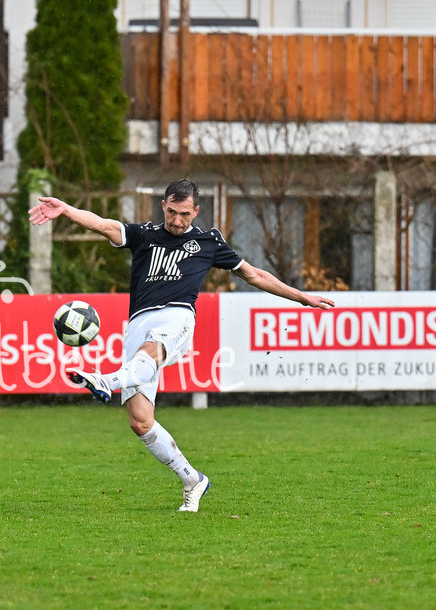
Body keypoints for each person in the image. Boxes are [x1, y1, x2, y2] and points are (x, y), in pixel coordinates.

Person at [28, 179, 336, 512]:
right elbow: (103, 225)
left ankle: (108, 380)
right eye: (172, 212)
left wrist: (301, 297)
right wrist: (66, 210)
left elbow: (254, 275)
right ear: (163, 206)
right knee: (140, 420)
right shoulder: (144, 235)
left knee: (151, 350)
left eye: (185, 214)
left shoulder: (208, 241)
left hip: (177, 318)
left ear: (196, 211)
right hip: (139, 324)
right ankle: (192, 480)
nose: (177, 221)